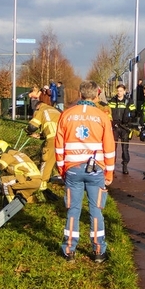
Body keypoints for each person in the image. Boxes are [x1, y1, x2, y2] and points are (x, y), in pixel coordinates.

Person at [55, 80, 115, 262]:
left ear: (80, 94)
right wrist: (109, 173)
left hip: (72, 169)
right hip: (96, 170)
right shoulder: (102, 116)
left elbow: (58, 146)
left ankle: (69, 250)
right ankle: (99, 251)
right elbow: (110, 147)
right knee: (96, 210)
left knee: (73, 210)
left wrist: (62, 169)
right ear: (97, 95)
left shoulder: (66, 115)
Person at [0, 140, 44, 204]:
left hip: (28, 179)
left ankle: (10, 206)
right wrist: (6, 169)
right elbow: (17, 169)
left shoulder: (7, 155)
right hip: (36, 180)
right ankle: (39, 198)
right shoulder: (19, 154)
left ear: (0, 151)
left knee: (4, 181)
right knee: (20, 196)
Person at [25, 97, 61, 195]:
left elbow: (32, 126)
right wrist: (40, 136)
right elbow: (51, 126)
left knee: (46, 159)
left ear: (37, 106)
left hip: (53, 139)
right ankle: (61, 181)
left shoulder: (41, 110)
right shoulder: (55, 110)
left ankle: (41, 186)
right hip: (64, 138)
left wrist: (27, 130)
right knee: (60, 160)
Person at [107, 84, 136, 175]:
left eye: (120, 91)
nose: (119, 93)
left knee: (125, 148)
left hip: (125, 127)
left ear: (124, 91)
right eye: (118, 91)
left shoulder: (129, 101)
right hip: (115, 127)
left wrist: (129, 118)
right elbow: (108, 112)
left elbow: (134, 113)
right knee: (113, 147)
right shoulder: (112, 101)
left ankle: (125, 165)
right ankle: (112, 166)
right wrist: (111, 121)